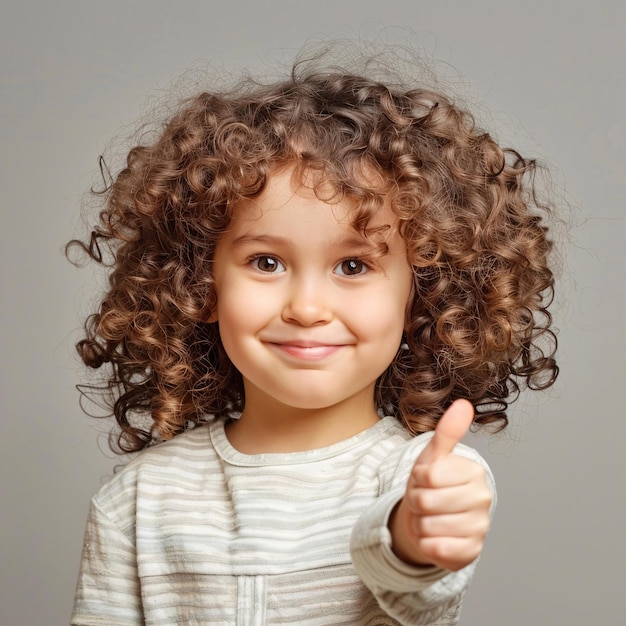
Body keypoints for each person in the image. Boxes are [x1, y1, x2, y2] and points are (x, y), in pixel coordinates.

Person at [69, 48, 558, 625]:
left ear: (421, 297)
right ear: (200, 282)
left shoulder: (419, 479)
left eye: (353, 267)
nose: (305, 308)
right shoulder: (134, 502)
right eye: (266, 262)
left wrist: (413, 538)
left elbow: (413, 585)